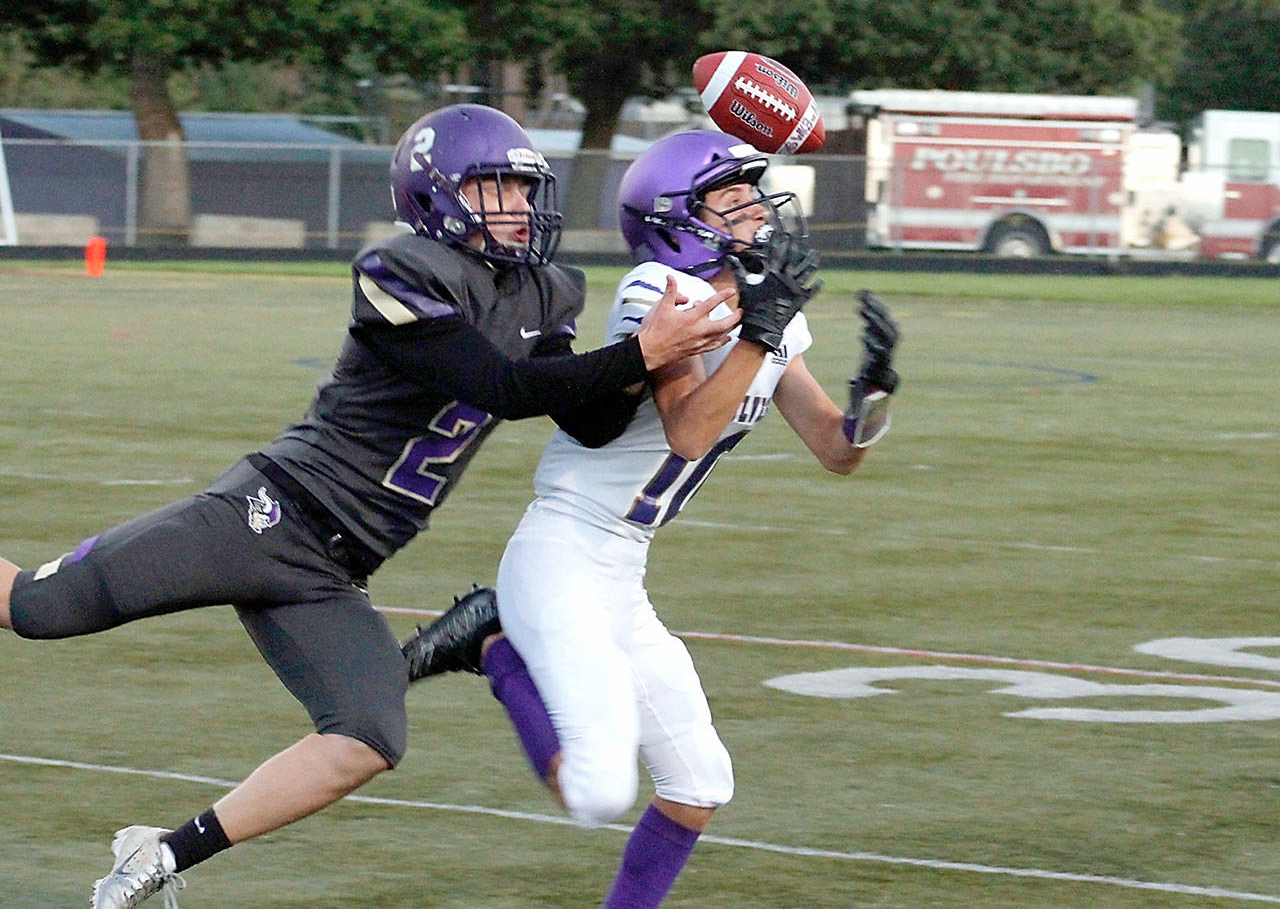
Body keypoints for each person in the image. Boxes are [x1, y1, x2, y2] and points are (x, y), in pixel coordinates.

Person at [0, 104, 743, 909]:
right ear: (437, 196)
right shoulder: (399, 270)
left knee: (368, 738)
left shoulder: (543, 289)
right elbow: (498, 386)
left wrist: (662, 361)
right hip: (264, 518)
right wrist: (638, 352)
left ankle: (160, 854)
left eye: (526, 190)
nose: (519, 208)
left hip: (335, 569)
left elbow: (588, 421)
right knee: (37, 607)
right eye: (495, 188)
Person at [402, 128, 900, 908]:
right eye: (732, 197)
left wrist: (875, 393)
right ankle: (490, 644)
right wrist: (759, 330)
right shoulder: (658, 290)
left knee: (701, 784)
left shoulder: (767, 306)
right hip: (564, 550)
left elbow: (838, 450)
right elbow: (688, 429)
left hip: (621, 567)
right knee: (598, 793)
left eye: (753, 193)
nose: (758, 210)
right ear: (678, 217)